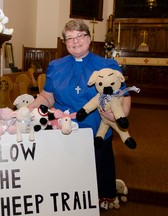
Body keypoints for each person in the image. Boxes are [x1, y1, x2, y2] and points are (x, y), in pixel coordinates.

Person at [28, 19, 131, 206]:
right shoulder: (55, 66)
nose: (75, 41)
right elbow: (47, 96)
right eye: (69, 38)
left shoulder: (108, 65)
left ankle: (101, 197)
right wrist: (30, 108)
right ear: (64, 42)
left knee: (97, 175)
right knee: (64, 178)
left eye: (79, 36)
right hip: (62, 130)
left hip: (95, 130)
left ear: (89, 38)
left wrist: (119, 115)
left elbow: (123, 95)